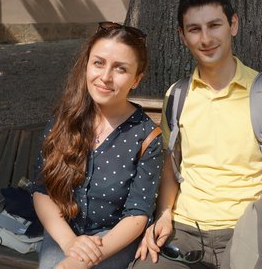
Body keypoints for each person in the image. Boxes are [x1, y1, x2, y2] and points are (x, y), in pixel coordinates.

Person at [131, 0, 262, 268]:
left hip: (248, 228)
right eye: (195, 29)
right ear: (182, 36)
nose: (206, 38)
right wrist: (163, 214)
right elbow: (170, 166)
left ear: (233, 25)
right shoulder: (176, 95)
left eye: (214, 25)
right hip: (184, 229)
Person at [32, 22, 164, 269]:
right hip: (63, 231)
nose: (105, 77)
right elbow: (42, 190)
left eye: (120, 69)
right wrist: (70, 243)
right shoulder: (65, 119)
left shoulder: (146, 136)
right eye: (99, 63)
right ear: (87, 65)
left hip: (114, 239)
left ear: (136, 79)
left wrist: (83, 260)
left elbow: (137, 214)